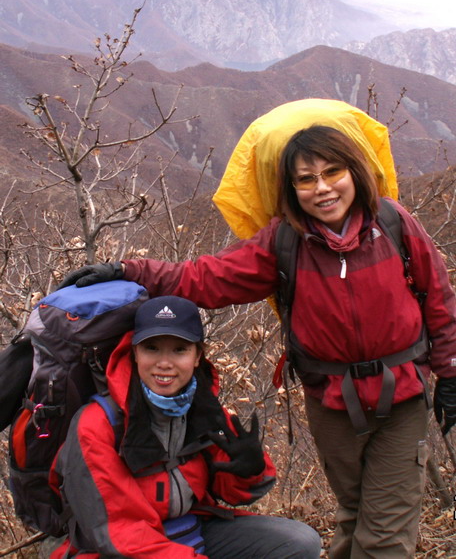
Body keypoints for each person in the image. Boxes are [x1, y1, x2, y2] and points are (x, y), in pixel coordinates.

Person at [60, 125, 456, 558]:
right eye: (306, 179)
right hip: (331, 399)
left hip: (402, 393)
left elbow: (439, 298)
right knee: (355, 510)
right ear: (291, 189)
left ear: (354, 172)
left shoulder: (393, 223)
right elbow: (208, 278)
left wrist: (451, 372)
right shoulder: (285, 241)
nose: (322, 188)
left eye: (332, 172)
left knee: (385, 531)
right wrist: (129, 271)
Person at [48, 295, 321, 559]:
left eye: (179, 350)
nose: (164, 364)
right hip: (117, 550)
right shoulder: (96, 424)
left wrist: (250, 471)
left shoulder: (202, 408)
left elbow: (234, 491)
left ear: (198, 355)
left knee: (299, 542)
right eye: (152, 348)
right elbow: (120, 533)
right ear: (134, 352)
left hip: (190, 530)